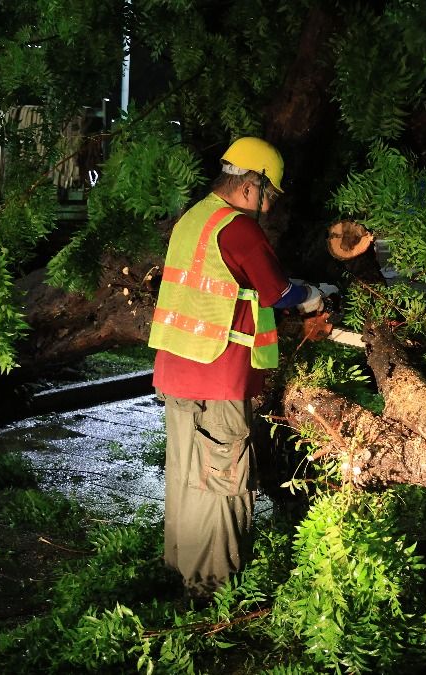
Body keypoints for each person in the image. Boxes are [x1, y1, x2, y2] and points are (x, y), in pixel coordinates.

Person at [147, 137, 323, 597]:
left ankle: (183, 572)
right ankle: (213, 592)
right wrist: (314, 295)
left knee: (187, 478)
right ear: (251, 184)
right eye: (269, 195)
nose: (268, 206)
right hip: (218, 377)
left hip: (178, 372)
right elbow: (277, 293)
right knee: (223, 482)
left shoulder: (193, 219)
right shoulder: (238, 228)